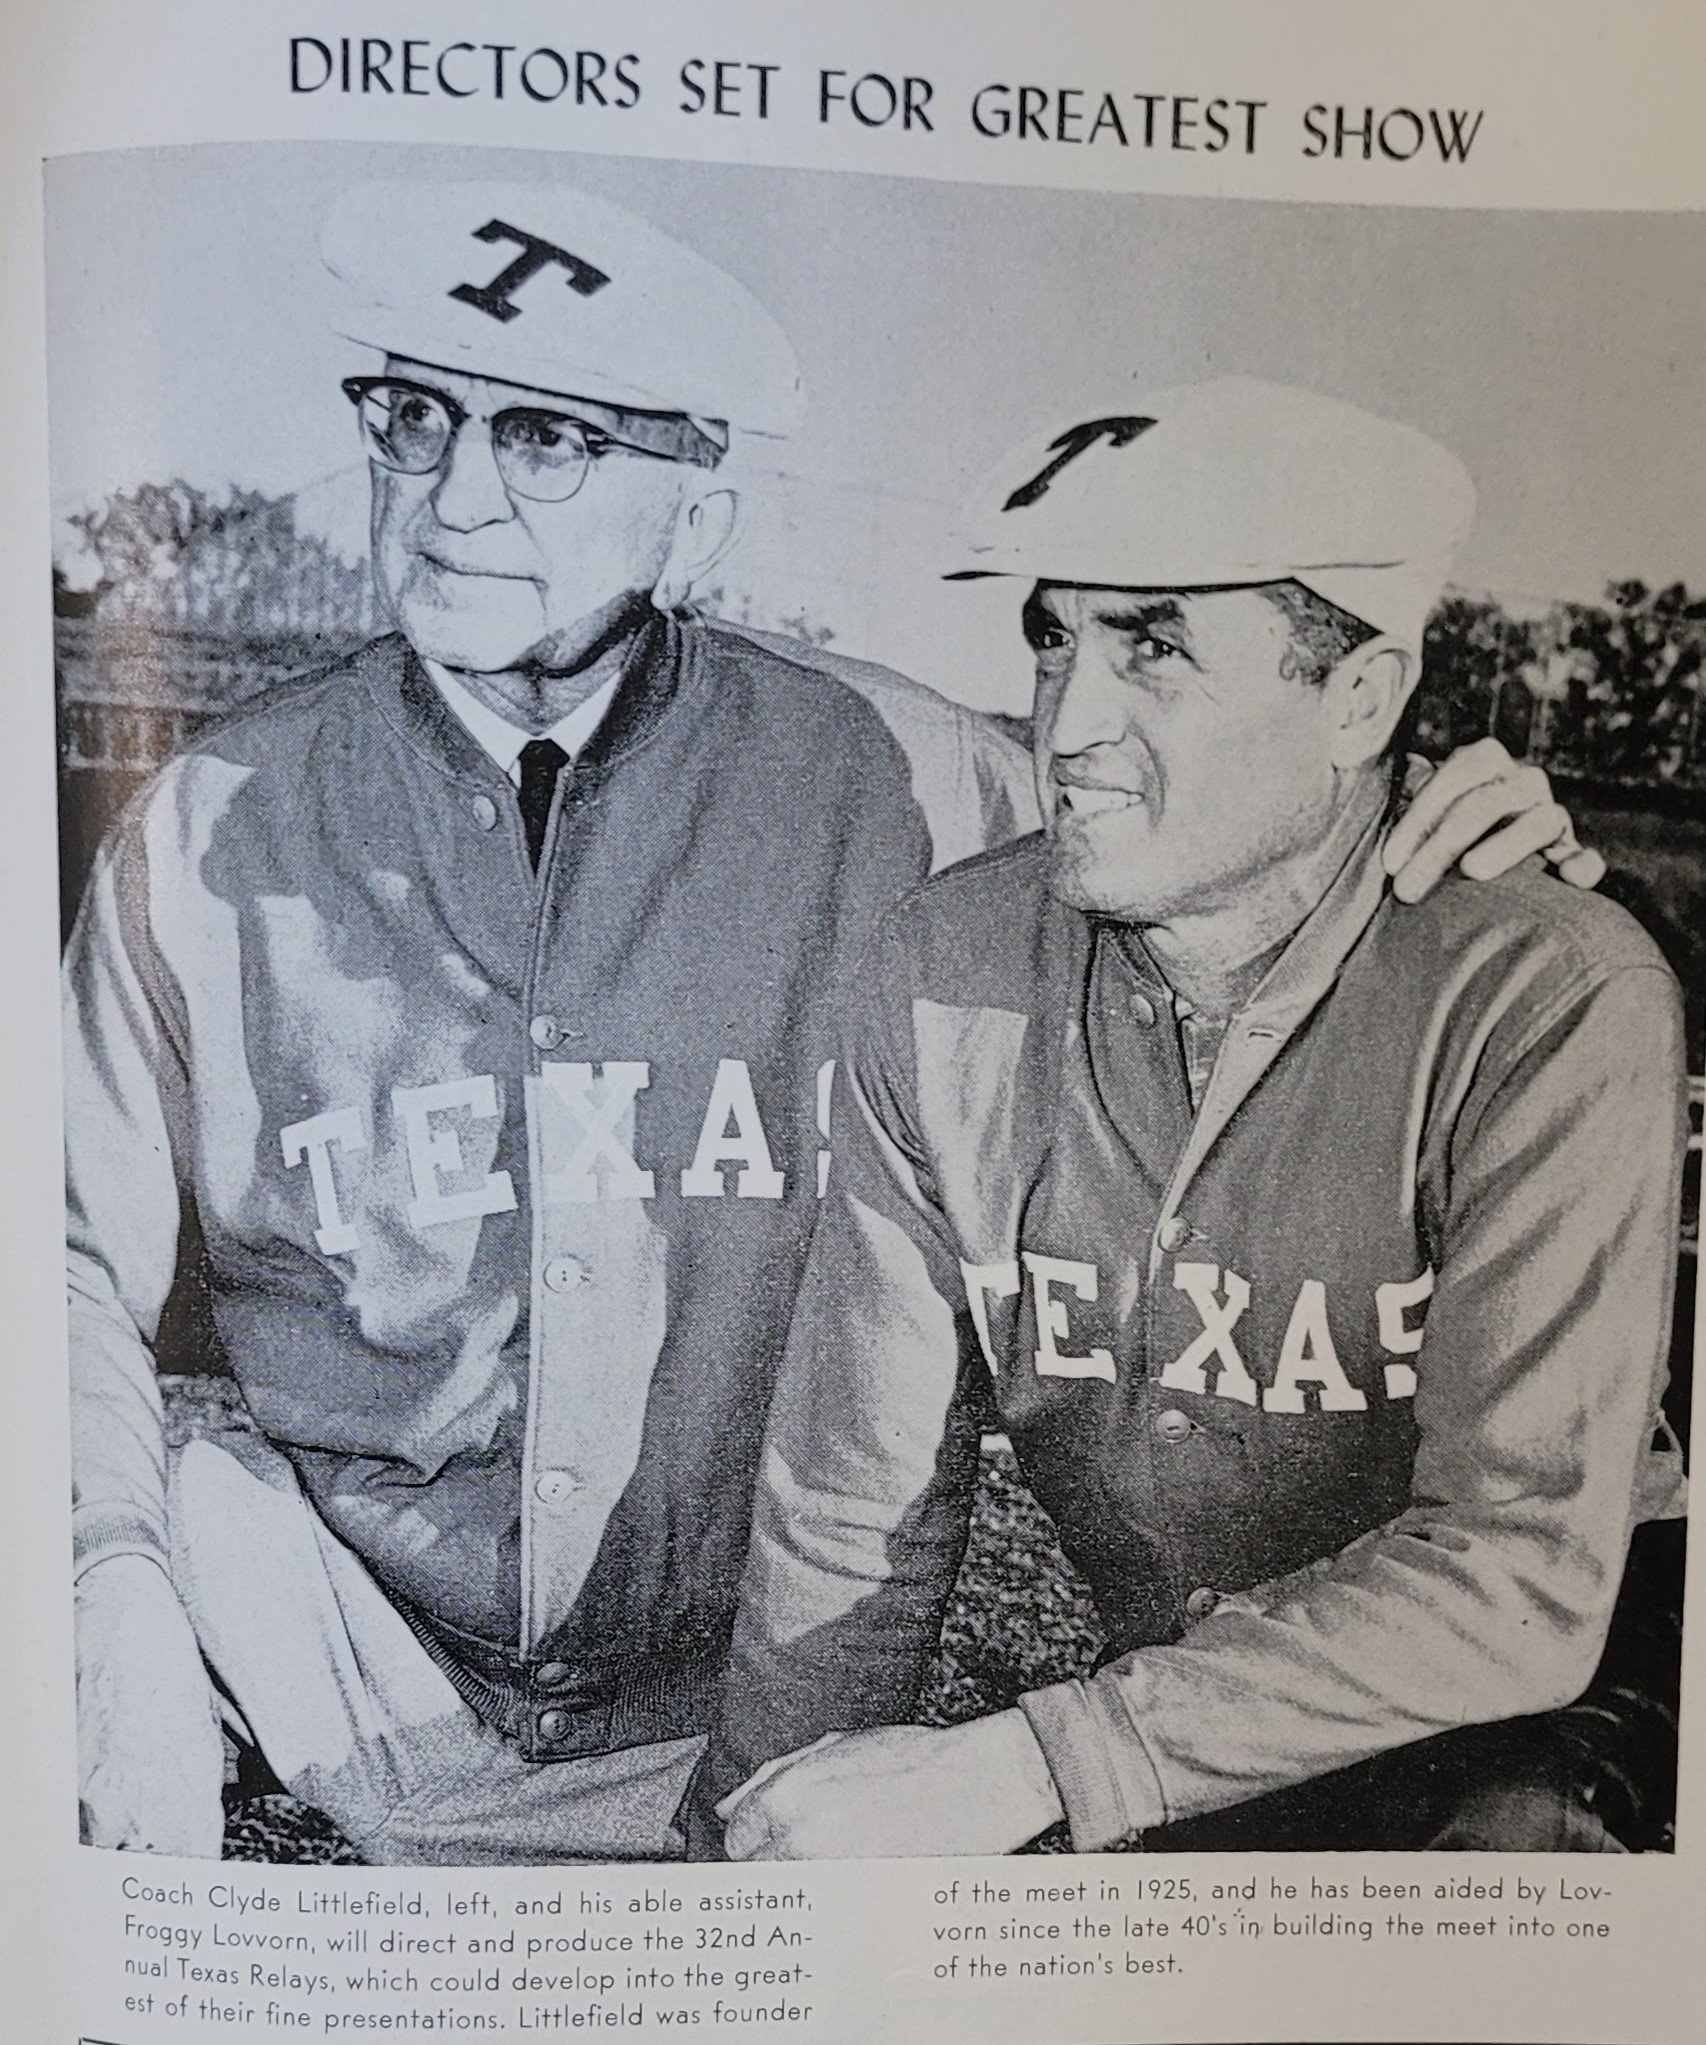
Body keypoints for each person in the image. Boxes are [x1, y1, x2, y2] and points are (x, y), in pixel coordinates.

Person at [65, 179, 1593, 1868]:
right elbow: (55, 1251)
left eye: (552, 439)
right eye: (418, 417)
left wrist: (1452, 841)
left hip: (716, 1684)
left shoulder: (911, 779)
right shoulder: (205, 825)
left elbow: (1235, 822)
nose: (456, 492)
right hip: (329, 1634)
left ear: (698, 524)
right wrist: (106, 1570)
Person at [708, 378, 1688, 1860]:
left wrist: (1041, 1757)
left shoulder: (1542, 987)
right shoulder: (945, 965)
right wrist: (746, 1866)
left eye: (1152, 646)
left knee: (1515, 1859)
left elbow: (1513, 1578)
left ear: (1356, 698)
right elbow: (853, 1508)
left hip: (1547, 1707)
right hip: (1194, 1694)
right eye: (1053, 637)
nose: (1066, 722)